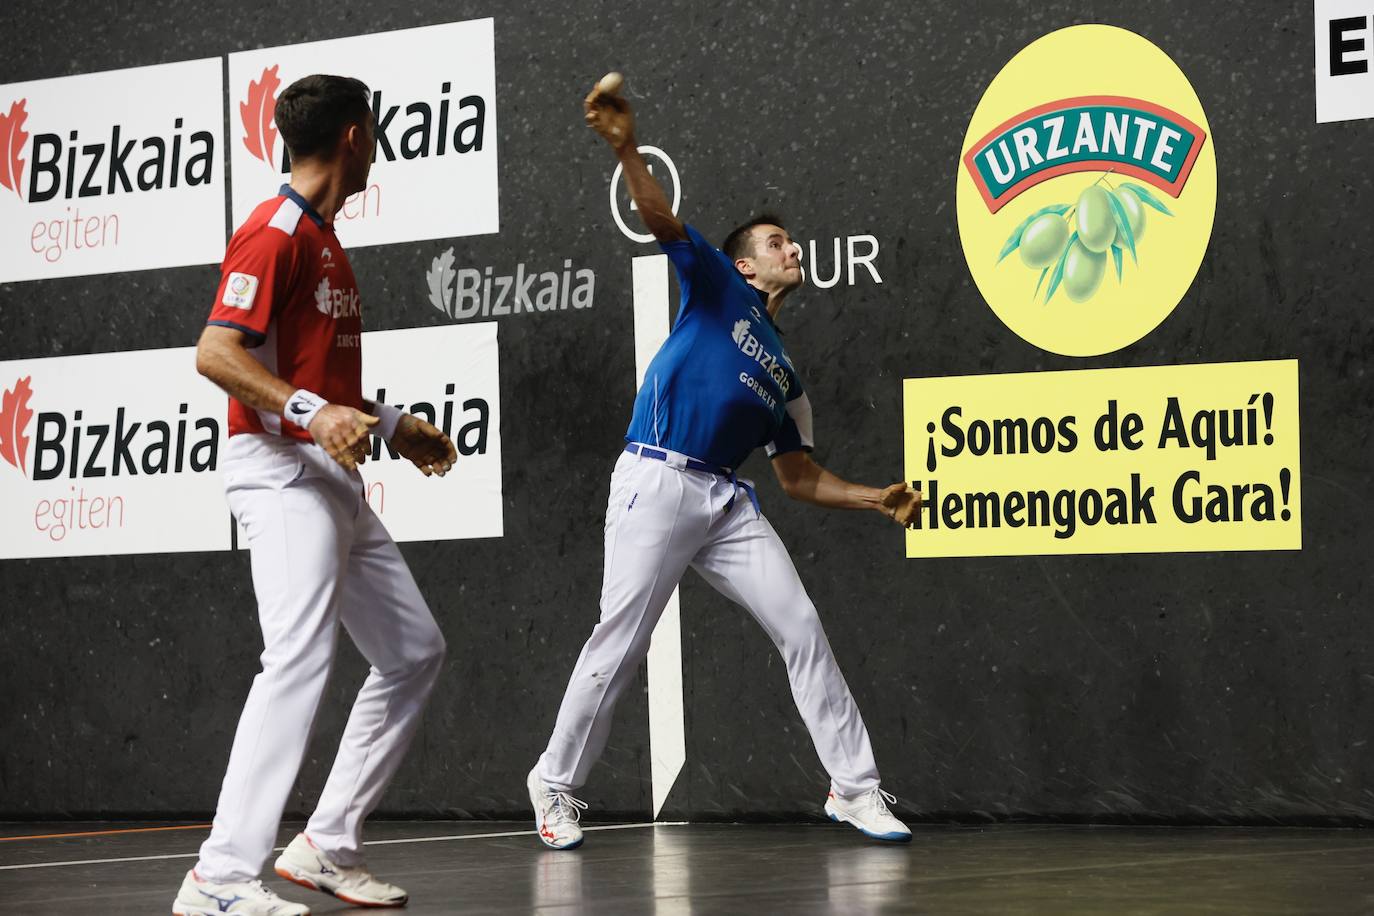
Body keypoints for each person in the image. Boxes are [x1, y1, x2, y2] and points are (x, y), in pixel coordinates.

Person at [526, 76, 922, 851]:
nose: (792, 249)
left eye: (790, 242)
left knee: (802, 628)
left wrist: (877, 499)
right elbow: (658, 216)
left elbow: (799, 477)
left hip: (727, 505)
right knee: (621, 641)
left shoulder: (785, 375)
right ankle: (555, 782)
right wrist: (626, 147)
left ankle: (855, 787)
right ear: (746, 267)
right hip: (657, 476)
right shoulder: (714, 289)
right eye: (777, 244)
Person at [172, 74, 458, 916]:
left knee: (413, 651)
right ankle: (219, 878)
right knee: (296, 656)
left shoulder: (327, 241)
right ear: (354, 137)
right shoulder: (274, 234)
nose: (379, 145)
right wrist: (312, 411)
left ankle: (325, 845)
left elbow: (321, 385)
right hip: (276, 469)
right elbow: (217, 353)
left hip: (330, 475)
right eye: (376, 132)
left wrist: (394, 423)